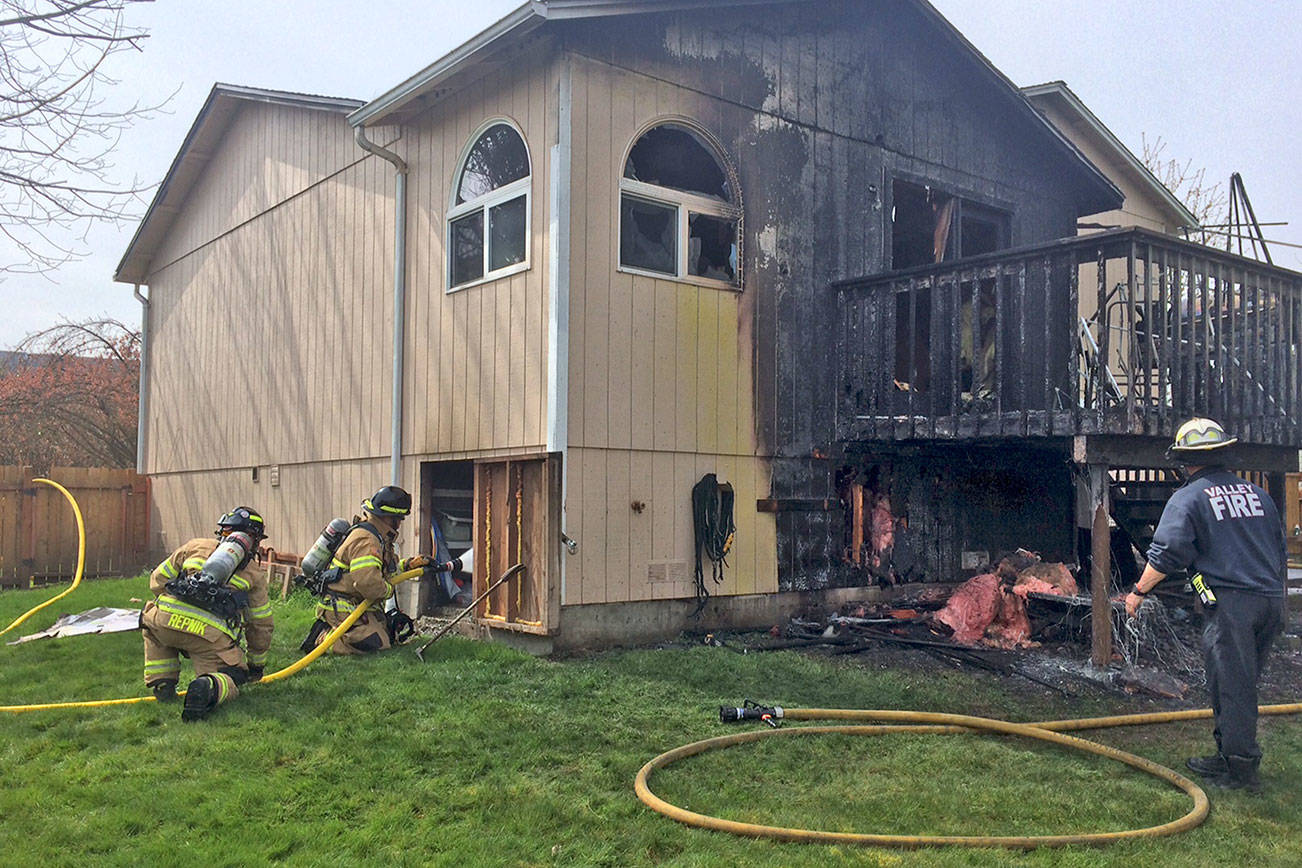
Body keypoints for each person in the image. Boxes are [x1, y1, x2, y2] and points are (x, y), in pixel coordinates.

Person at [1124, 418, 1287, 792]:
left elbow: (1166, 553)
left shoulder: (1188, 498)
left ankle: (1243, 771)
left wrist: (1137, 593)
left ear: (1182, 461)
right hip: (1270, 602)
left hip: (1232, 608)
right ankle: (1227, 753)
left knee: (1232, 686)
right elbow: (1278, 548)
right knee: (1237, 683)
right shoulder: (1257, 494)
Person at [141, 506, 274, 722]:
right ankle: (208, 686)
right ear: (254, 540)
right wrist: (256, 665)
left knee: (151, 622)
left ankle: (162, 683)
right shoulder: (255, 574)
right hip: (207, 636)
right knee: (234, 675)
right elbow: (260, 624)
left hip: (164, 623)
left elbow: (157, 580)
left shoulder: (195, 546)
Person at [300, 485, 427, 654]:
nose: (400, 523)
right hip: (343, 607)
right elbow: (369, 584)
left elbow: (382, 570)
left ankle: (341, 633)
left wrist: (409, 565)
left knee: (388, 635)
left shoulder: (378, 536)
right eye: (400, 518)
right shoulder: (367, 540)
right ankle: (323, 638)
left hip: (357, 605)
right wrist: (388, 589)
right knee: (377, 643)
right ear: (390, 517)